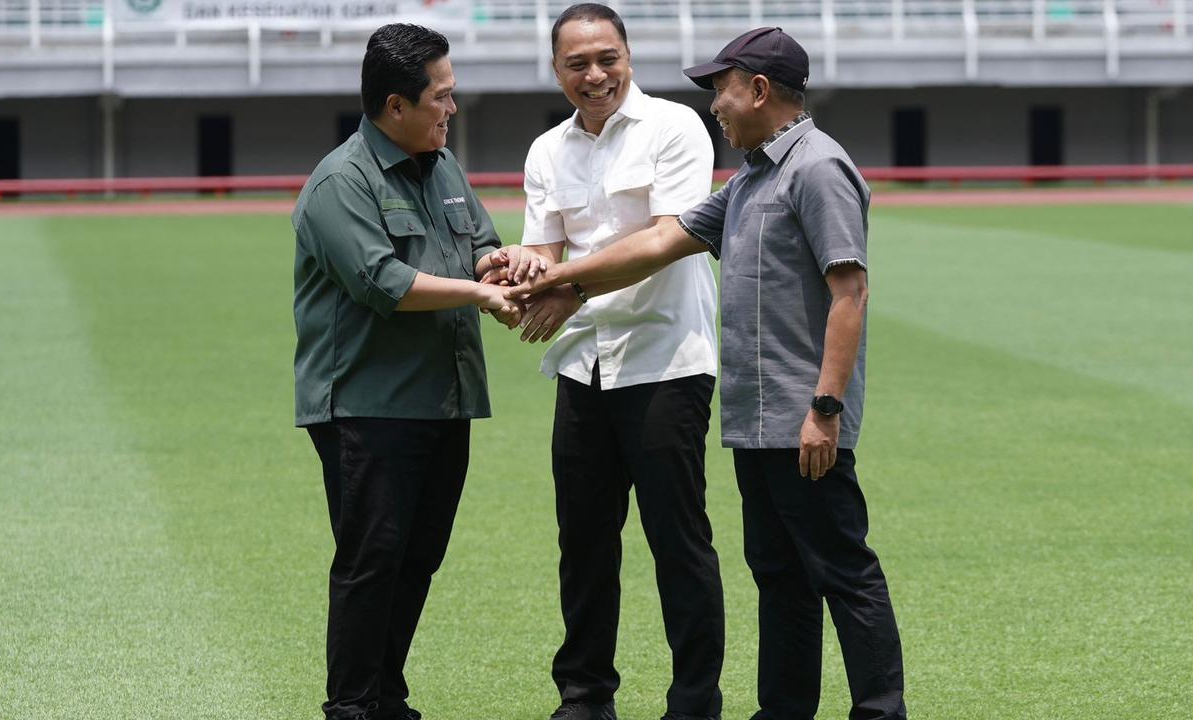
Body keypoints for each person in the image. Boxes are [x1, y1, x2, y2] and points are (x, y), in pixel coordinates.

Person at [506, 26, 907, 720]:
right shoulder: (752, 177)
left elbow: (851, 294)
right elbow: (658, 247)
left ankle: (880, 711)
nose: (714, 105)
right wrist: (562, 279)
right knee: (780, 575)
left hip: (803, 414)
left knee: (843, 570)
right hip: (755, 419)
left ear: (757, 89)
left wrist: (826, 408)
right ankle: (783, 712)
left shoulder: (817, 168)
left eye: (719, 89)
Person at [489, 5, 725, 720]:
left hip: (666, 359)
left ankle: (693, 702)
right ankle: (585, 697)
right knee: (583, 541)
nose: (594, 75)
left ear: (628, 55)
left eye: (607, 58)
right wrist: (515, 271)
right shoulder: (546, 151)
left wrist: (566, 285)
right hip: (582, 364)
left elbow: (667, 241)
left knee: (676, 539)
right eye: (577, 63)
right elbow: (548, 250)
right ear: (556, 69)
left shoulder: (676, 127)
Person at [291, 24, 520, 720]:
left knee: (417, 558)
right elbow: (381, 281)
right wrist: (482, 294)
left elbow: (479, 244)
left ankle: (386, 697)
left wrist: (503, 267)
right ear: (397, 105)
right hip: (366, 405)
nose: (452, 110)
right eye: (441, 98)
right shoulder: (341, 181)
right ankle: (353, 706)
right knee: (371, 562)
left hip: (443, 401)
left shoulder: (443, 165)